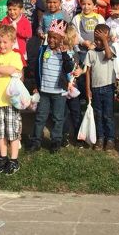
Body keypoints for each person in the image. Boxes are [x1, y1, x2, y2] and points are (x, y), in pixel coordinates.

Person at [28, 19, 73, 153]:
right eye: (50, 37)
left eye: (55, 38)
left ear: (62, 38)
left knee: (58, 118)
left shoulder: (66, 52)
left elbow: (69, 68)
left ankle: (55, 141)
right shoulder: (43, 50)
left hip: (59, 92)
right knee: (40, 116)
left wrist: (64, 54)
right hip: (44, 90)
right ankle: (36, 141)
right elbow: (38, 68)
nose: (52, 40)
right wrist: (37, 84)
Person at [0, 25, 24, 174]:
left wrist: (1, 70)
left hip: (11, 101)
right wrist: (7, 71)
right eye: (0, 42)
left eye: (5, 42)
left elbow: (15, 70)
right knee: (0, 132)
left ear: (12, 42)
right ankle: (2, 157)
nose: (2, 45)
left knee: (12, 132)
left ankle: (14, 160)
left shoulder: (15, 55)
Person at [85, 24, 118, 151]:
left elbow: (108, 56)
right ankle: (100, 138)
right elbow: (88, 71)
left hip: (108, 88)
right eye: (96, 38)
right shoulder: (90, 53)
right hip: (96, 89)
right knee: (98, 114)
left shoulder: (111, 49)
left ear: (108, 38)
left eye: (101, 39)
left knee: (108, 115)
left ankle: (110, 138)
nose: (98, 42)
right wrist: (88, 89)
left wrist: (105, 41)